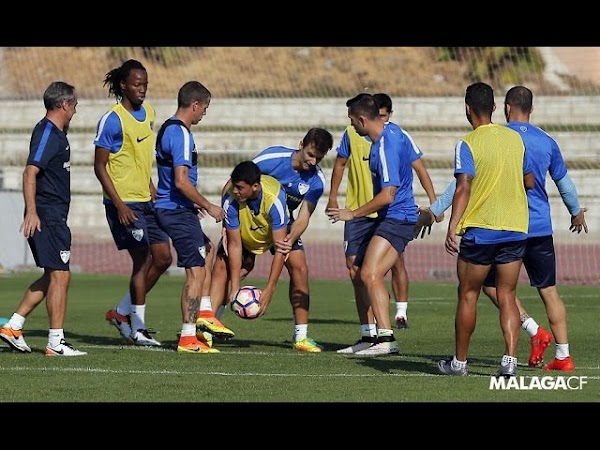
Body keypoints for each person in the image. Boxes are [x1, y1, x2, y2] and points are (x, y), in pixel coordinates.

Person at [423, 85, 587, 371]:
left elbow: (462, 185)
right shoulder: (535, 141)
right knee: (534, 292)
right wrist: (575, 213)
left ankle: (464, 360)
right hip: (527, 228)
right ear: (528, 108)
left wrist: (441, 215)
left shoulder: (483, 141)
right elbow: (550, 182)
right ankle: (552, 355)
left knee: (476, 291)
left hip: (492, 227)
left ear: (507, 107)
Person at [436, 82, 534, 377]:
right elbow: (529, 181)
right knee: (507, 294)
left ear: (467, 108)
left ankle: (460, 364)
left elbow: (463, 186)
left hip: (481, 230)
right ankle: (510, 362)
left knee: (468, 294)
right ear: (495, 107)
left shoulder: (467, 143)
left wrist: (452, 226)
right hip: (516, 228)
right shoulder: (516, 140)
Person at [327, 93, 437, 354]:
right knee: (366, 273)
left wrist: (352, 213)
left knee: (369, 273)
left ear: (363, 119)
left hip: (396, 217)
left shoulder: (386, 144)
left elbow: (388, 194)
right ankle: (376, 338)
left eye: (353, 120)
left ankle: (385, 339)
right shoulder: (388, 138)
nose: (352, 126)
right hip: (397, 217)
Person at [0, 81, 86, 356]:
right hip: (47, 215)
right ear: (63, 104)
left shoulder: (57, 132)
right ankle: (55, 342)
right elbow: (29, 172)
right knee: (61, 275)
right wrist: (33, 211)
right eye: (74, 104)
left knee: (53, 275)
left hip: (53, 214)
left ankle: (13, 326)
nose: (76, 109)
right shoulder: (48, 133)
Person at [93, 59, 172, 347]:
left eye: (145, 85)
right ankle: (138, 328)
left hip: (145, 199)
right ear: (124, 85)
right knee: (143, 259)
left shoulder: (149, 113)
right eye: (137, 84)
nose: (142, 89)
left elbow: (140, 157)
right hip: (123, 202)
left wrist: (150, 186)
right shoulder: (112, 120)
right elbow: (100, 166)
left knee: (163, 258)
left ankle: (122, 313)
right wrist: (119, 205)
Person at [153, 80, 230, 353]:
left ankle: (204, 314)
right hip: (175, 211)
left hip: (178, 208)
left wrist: (191, 203)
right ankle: (188, 335)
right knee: (195, 272)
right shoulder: (181, 134)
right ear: (194, 105)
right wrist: (208, 205)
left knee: (208, 250)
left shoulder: (168, 127)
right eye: (205, 108)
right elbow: (181, 181)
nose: (204, 114)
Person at [247, 127, 333, 352]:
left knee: (300, 269)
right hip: (252, 220)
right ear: (301, 144)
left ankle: (301, 337)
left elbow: (304, 216)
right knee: (235, 267)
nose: (314, 162)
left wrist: (290, 238)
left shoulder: (316, 181)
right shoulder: (271, 158)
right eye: (311, 154)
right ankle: (209, 321)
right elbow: (240, 181)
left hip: (283, 225)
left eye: (319, 158)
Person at [209, 161, 290, 342]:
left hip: (274, 233)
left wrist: (270, 289)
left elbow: (280, 248)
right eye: (233, 185)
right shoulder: (231, 199)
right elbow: (235, 244)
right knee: (221, 268)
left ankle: (301, 335)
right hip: (246, 233)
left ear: (255, 187)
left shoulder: (274, 200)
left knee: (299, 267)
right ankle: (209, 325)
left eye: (239, 188)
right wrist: (235, 287)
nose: (235, 191)